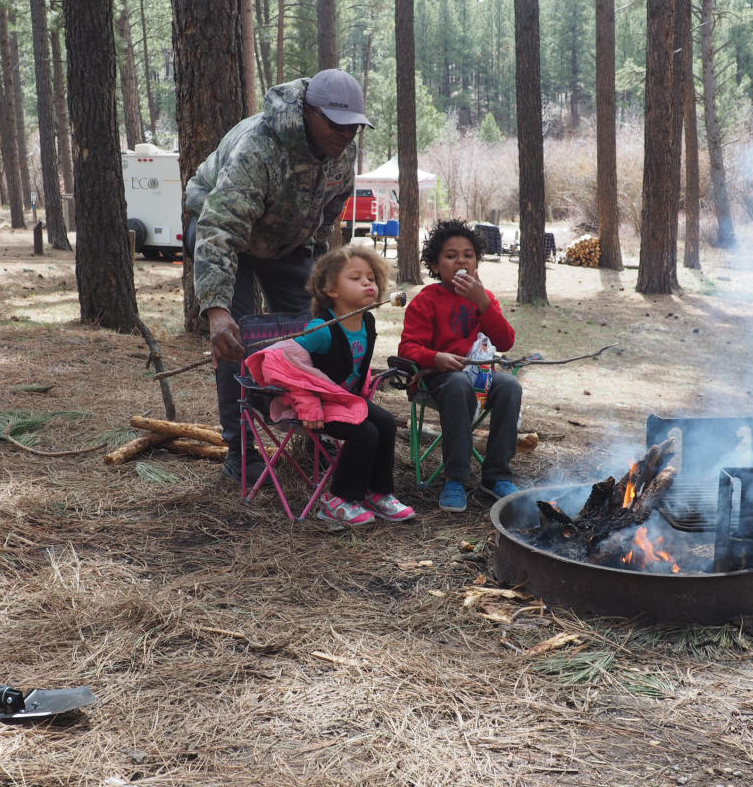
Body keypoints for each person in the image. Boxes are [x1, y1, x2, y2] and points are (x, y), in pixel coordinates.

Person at [185, 68, 372, 483]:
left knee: (315, 332)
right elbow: (220, 229)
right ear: (309, 113)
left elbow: (325, 223)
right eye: (337, 125)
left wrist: (326, 285)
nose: (346, 136)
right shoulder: (259, 148)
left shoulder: (342, 154)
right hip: (223, 228)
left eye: (354, 128)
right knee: (237, 340)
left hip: (286, 241)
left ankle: (315, 432)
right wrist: (217, 312)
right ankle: (241, 450)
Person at [247, 246, 415, 530]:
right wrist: (306, 402)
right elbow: (281, 364)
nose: (367, 283)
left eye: (371, 278)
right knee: (365, 433)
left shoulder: (367, 321)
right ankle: (338, 501)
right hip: (309, 403)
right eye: (356, 277)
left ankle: (377, 493)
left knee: (385, 422)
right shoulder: (322, 329)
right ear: (331, 290)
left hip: (343, 400)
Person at [397, 219, 523, 512]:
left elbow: (504, 342)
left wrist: (483, 304)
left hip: (480, 377)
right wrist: (436, 357)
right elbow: (408, 348)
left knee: (509, 386)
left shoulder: (485, 298)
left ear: (477, 261)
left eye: (468, 254)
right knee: (457, 383)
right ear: (436, 265)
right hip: (438, 378)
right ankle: (455, 477)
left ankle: (496, 476)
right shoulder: (427, 300)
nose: (461, 260)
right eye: (451, 255)